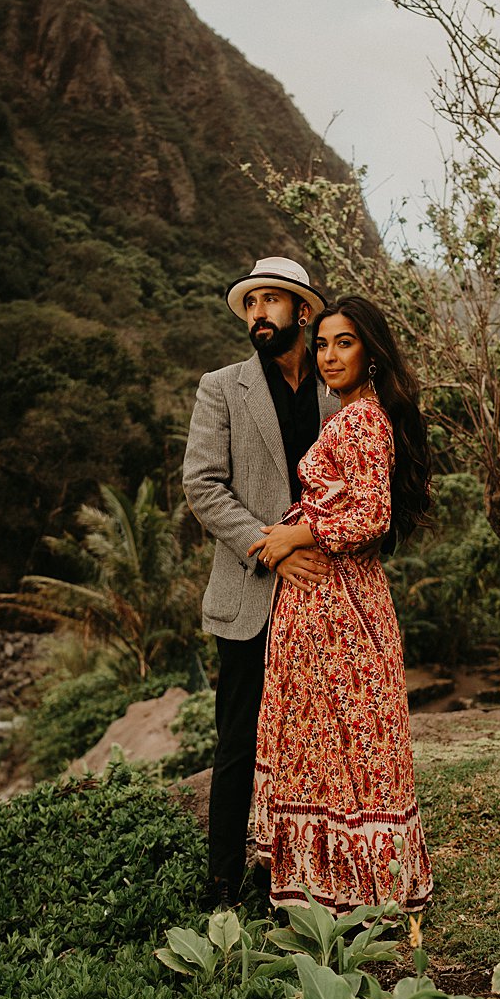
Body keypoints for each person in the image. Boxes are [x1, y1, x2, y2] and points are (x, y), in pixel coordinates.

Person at [248, 295, 433, 916]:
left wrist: (291, 535)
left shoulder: (360, 422)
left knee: (346, 733)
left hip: (339, 603)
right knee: (335, 736)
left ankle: (356, 884)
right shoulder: (355, 417)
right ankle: (347, 882)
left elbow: (370, 513)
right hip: (330, 598)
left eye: (344, 343)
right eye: (322, 344)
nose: (329, 356)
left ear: (370, 352)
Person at [182, 256, 340, 908]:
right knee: (238, 739)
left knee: (317, 737)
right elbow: (202, 484)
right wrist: (267, 544)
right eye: (251, 304)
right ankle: (222, 880)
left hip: (325, 591)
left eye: (270, 301)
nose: (258, 314)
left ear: (302, 311)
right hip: (250, 592)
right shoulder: (221, 387)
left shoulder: (339, 393)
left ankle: (304, 872)